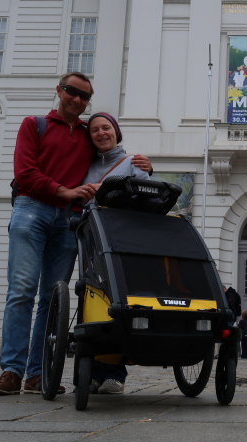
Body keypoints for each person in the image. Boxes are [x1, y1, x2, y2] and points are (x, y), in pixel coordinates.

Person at [0, 73, 148, 396]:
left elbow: (110, 154)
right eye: (72, 92)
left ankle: (36, 373)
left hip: (69, 220)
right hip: (32, 208)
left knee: (51, 299)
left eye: (84, 96)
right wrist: (64, 191)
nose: (77, 99)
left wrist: (142, 164)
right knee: (21, 290)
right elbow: (25, 173)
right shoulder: (35, 124)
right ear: (59, 91)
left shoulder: (88, 134)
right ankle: (11, 370)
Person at [84, 112, 153, 394]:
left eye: (106, 128)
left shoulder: (132, 162)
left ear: (116, 132)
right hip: (91, 238)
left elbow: (148, 193)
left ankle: (115, 372)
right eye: (95, 130)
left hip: (122, 240)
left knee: (116, 301)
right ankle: (93, 371)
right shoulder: (85, 165)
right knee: (92, 301)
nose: (101, 133)